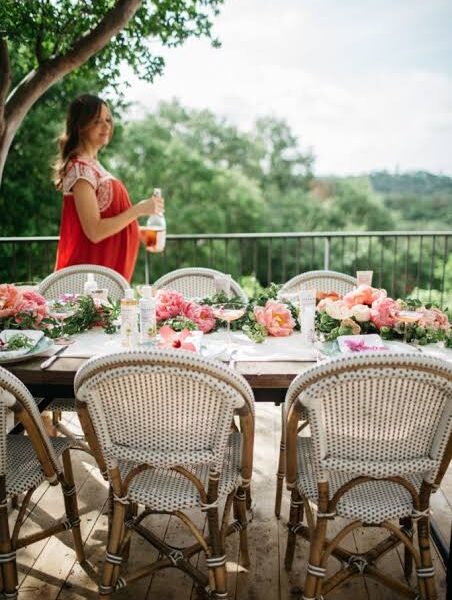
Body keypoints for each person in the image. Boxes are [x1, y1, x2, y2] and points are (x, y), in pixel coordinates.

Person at [53, 94, 164, 282]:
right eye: (97, 121)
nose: (106, 127)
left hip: (107, 274)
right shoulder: (80, 169)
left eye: (108, 120)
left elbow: (109, 217)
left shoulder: (93, 165)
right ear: (81, 125)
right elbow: (94, 231)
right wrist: (138, 210)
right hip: (91, 279)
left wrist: (137, 232)